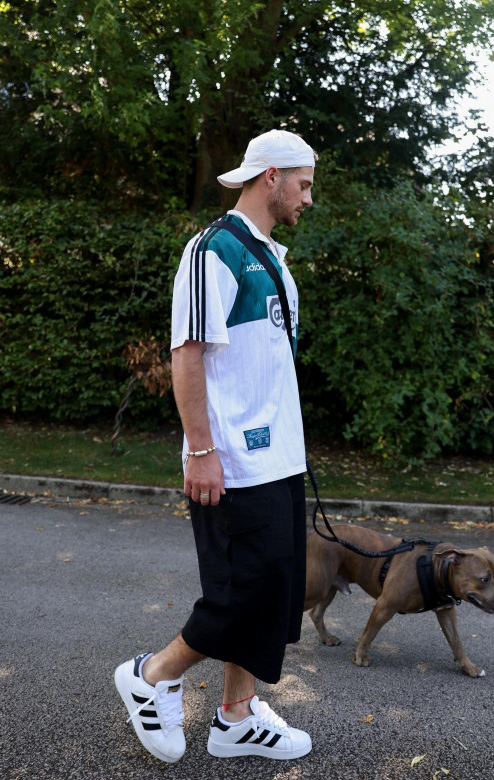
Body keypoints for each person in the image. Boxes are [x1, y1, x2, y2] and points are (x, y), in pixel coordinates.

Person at [114, 129, 316, 763]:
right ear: (271, 176)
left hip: (278, 460)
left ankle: (236, 716)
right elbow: (187, 353)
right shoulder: (214, 250)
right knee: (239, 596)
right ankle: (152, 676)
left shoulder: (271, 255)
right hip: (232, 461)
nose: (308, 198)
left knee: (275, 594)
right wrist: (201, 450)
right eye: (304, 184)